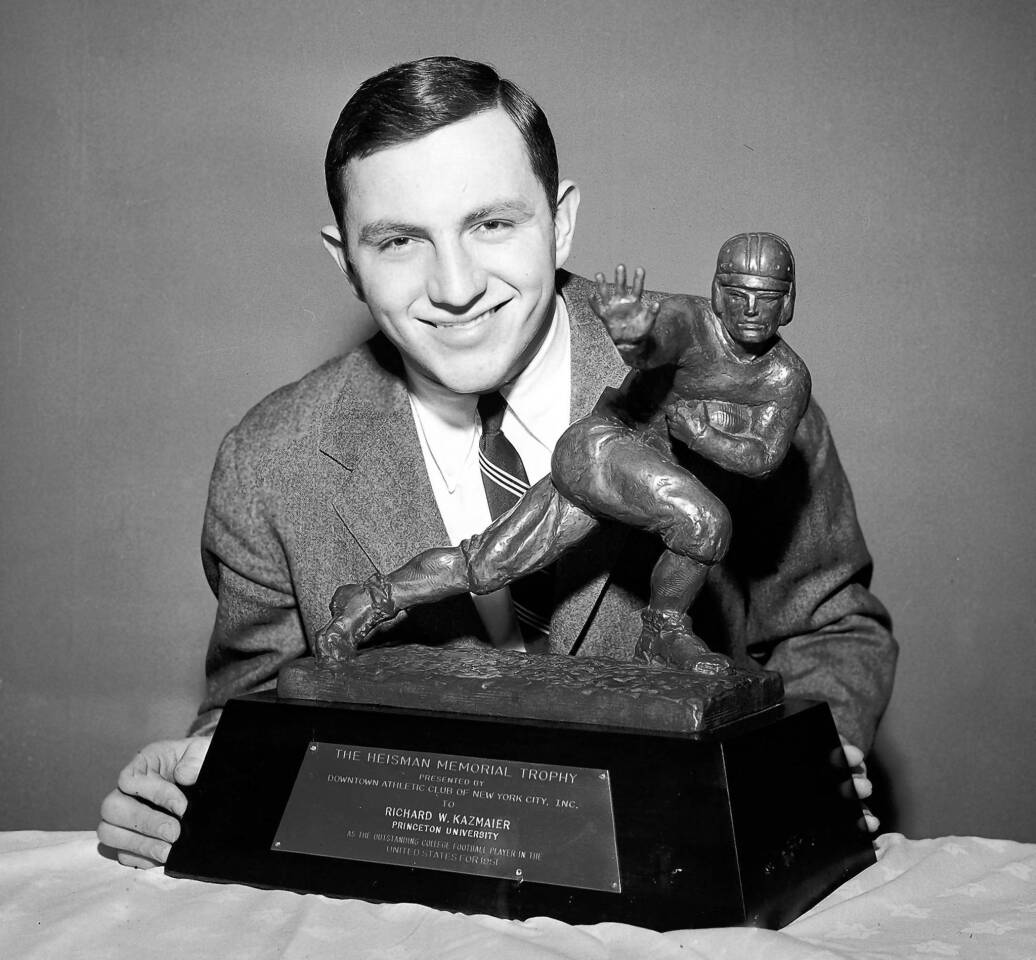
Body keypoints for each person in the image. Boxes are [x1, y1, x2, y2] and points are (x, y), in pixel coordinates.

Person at [97, 56, 895, 869]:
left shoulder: (748, 379)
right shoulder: (267, 466)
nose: (456, 285)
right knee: (508, 557)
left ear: (563, 220)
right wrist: (196, 787)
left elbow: (831, 629)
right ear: (345, 260)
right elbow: (253, 712)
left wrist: (813, 768)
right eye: (401, 240)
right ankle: (377, 600)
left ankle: (429, 602)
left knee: (573, 544)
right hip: (405, 905)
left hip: (665, 893)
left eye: (492, 225)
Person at [315, 234, 812, 680]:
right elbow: (657, 343)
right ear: (717, 294)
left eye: (765, 297)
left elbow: (763, 459)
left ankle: (367, 600)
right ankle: (662, 631)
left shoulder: (785, 378)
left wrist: (703, 437)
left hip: (614, 481)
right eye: (737, 293)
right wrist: (634, 337)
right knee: (705, 523)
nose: (749, 308)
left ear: (786, 303)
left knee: (486, 566)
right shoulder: (693, 320)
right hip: (601, 446)